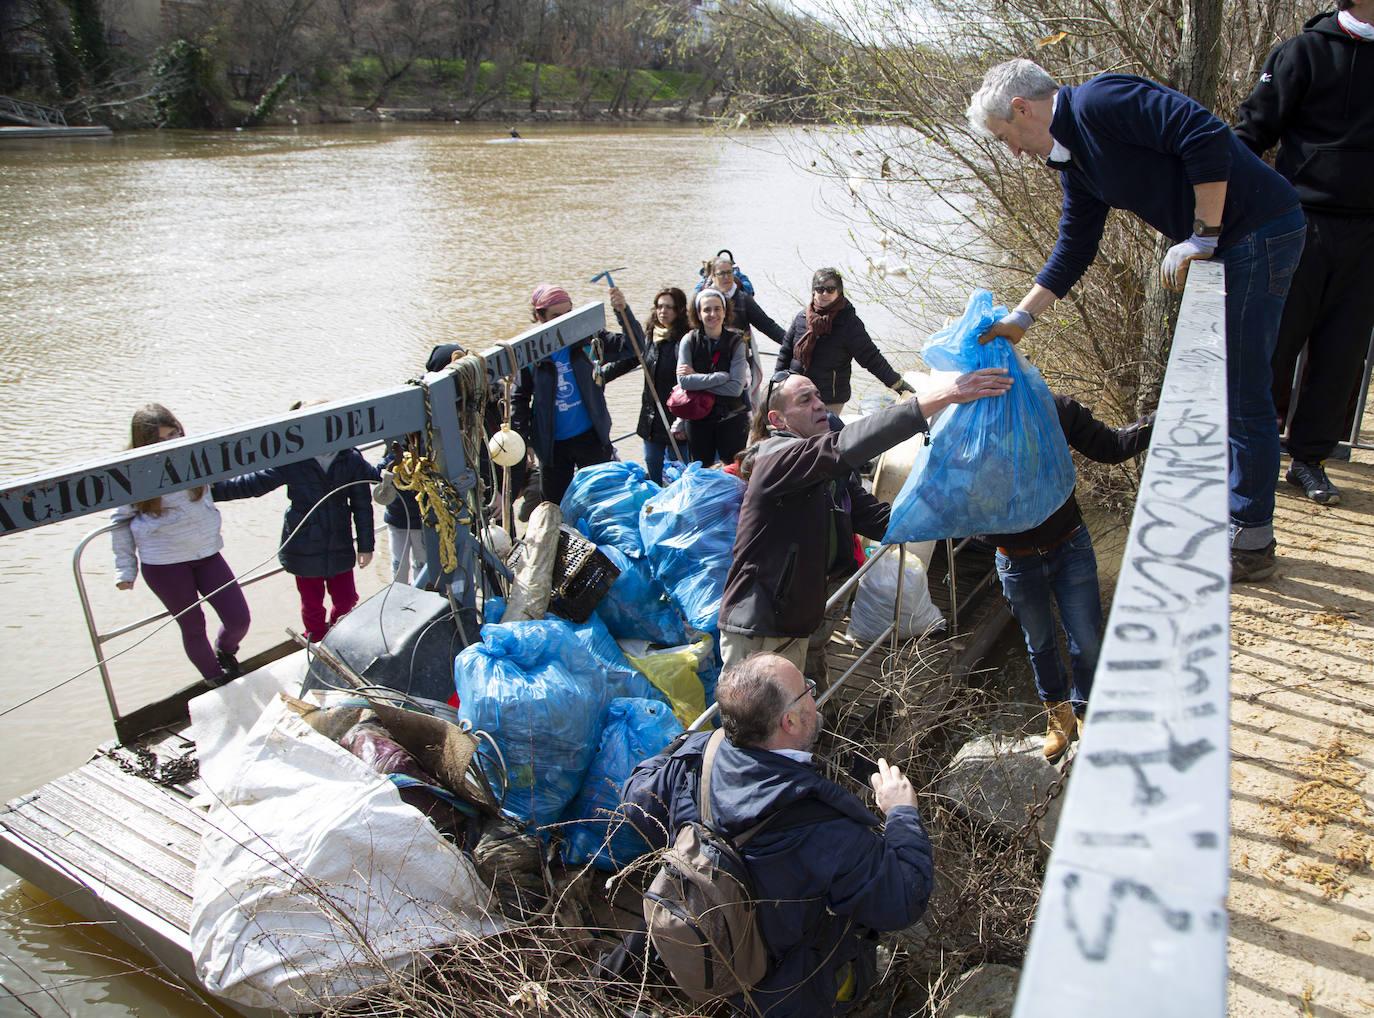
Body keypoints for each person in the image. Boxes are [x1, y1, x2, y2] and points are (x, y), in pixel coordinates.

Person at [966, 59, 1304, 583]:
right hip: (1230, 242)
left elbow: (1205, 133)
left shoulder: (1102, 102)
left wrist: (1204, 234)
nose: (1012, 151)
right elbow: (1074, 247)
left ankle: (1252, 537)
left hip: (1258, 229)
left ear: (1021, 107)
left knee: (1242, 386)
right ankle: (1238, 514)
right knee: (1226, 381)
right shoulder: (1073, 160)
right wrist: (1020, 319)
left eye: (1006, 136)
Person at [620, 653, 934, 1018]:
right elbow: (904, 899)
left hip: (706, 942)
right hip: (784, 993)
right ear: (789, 721)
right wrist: (901, 812)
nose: (814, 698)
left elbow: (635, 800)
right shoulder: (822, 825)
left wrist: (678, 749)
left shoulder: (699, 757)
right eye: (807, 692)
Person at [717, 368, 1012, 673]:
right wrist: (940, 397)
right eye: (804, 400)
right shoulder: (775, 459)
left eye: (818, 395)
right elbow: (844, 447)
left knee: (804, 701)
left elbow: (878, 519)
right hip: (761, 623)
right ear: (778, 420)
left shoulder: (826, 472)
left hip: (802, 611)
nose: (819, 404)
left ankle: (826, 714)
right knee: (759, 717)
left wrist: (965, 509)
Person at [1233, 1, 1374, 506]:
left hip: (1368, 236)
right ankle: (1254, 457)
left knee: (1342, 352)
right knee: (1274, 342)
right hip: (1298, 221)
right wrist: (1211, 208)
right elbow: (1253, 133)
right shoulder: (1303, 51)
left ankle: (1309, 461)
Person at [987, 395, 1154, 763]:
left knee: (1087, 639)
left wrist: (1156, 420)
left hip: (1069, 545)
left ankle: (1086, 710)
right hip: (1016, 560)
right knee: (1040, 644)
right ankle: (1058, 715)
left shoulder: (1053, 408)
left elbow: (1109, 446)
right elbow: (946, 495)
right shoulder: (968, 427)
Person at [212, 401, 378, 643]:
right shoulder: (293, 458)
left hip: (340, 542)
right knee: (312, 604)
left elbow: (363, 504)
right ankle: (317, 641)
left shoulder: (350, 458)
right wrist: (213, 491)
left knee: (347, 599)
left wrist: (366, 545)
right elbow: (254, 484)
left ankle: (339, 637)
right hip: (304, 545)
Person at [111, 404, 251, 684]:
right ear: (143, 443)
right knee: (193, 626)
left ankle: (225, 651)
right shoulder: (129, 473)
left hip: (207, 553)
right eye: (159, 440)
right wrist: (126, 569)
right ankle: (215, 678)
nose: (169, 444)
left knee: (239, 619)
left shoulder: (194, 457)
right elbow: (120, 522)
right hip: (164, 564)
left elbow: (231, 474)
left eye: (174, 434)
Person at [510, 284, 635, 506]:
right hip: (552, 446)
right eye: (555, 316)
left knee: (602, 503)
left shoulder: (589, 339)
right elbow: (518, 398)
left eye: (568, 314)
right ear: (540, 317)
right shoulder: (530, 353)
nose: (564, 321)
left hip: (591, 438)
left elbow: (633, 347)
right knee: (555, 509)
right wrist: (524, 440)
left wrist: (622, 312)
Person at [775, 268, 915, 414]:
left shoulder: (848, 323)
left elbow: (871, 357)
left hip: (830, 397)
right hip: (798, 393)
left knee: (821, 434)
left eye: (830, 289)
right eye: (820, 289)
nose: (825, 294)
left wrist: (897, 384)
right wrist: (777, 384)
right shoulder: (802, 318)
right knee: (795, 434)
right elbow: (785, 352)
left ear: (839, 291)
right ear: (813, 291)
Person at [601, 286, 688, 484]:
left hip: (678, 417)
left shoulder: (686, 341)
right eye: (659, 306)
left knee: (680, 470)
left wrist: (685, 420)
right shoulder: (650, 338)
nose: (663, 311)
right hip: (652, 418)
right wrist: (599, 377)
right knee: (652, 465)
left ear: (680, 310)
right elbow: (629, 360)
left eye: (669, 307)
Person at [676, 288, 752, 467]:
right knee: (700, 472)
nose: (713, 314)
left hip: (732, 418)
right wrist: (721, 377)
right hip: (698, 419)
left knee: (733, 472)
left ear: (725, 312)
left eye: (717, 309)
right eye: (707, 309)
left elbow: (735, 388)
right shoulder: (689, 341)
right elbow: (684, 382)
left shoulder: (737, 342)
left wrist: (698, 380)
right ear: (699, 314)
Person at [700, 254, 786, 403]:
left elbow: (767, 325)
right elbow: (691, 329)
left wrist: (794, 342)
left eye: (730, 272)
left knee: (740, 404)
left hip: (739, 361)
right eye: (722, 273)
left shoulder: (743, 299)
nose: (727, 277)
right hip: (709, 361)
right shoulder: (702, 300)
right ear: (713, 276)